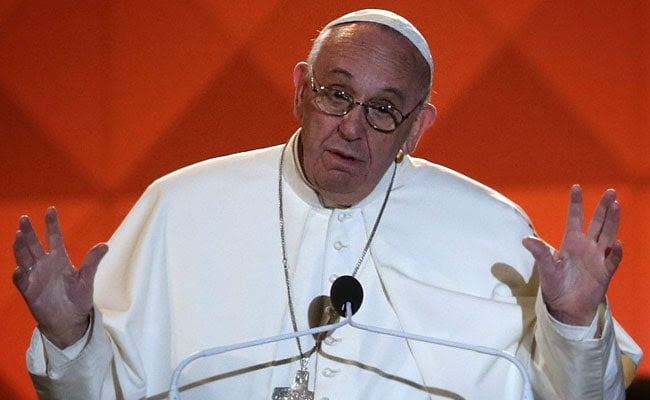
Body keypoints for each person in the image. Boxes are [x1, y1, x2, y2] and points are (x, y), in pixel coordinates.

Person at [12, 8, 642, 400]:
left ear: (417, 128)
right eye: (336, 94)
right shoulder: (180, 207)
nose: (351, 126)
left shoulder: (492, 229)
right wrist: (69, 337)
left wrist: (574, 323)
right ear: (299, 91)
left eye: (384, 109)